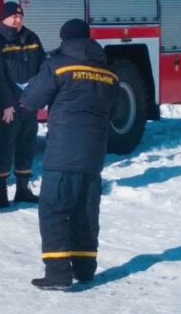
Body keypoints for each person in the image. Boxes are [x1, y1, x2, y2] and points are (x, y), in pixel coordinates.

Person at [20, 19, 118, 289]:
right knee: (85, 211)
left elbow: (31, 100)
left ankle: (58, 273)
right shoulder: (108, 72)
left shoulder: (57, 65)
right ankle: (85, 268)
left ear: (65, 40)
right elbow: (116, 111)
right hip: (94, 155)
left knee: (53, 209)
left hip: (63, 153)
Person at [0, 1, 46, 207]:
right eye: (13, 16)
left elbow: (42, 67)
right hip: (9, 107)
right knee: (5, 146)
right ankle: (1, 192)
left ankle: (22, 189)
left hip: (29, 103)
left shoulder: (32, 38)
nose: (18, 19)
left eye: (20, 16)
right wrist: (6, 104)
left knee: (27, 145)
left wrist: (37, 95)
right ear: (4, 18)